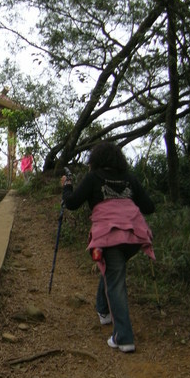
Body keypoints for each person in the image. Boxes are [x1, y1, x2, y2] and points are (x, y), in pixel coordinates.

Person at [61, 141, 155, 353]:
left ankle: (124, 337)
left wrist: (66, 187)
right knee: (114, 270)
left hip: (108, 236)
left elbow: (72, 203)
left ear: (96, 160)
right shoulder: (129, 179)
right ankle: (103, 311)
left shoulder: (94, 177)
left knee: (115, 281)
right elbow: (149, 206)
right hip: (134, 237)